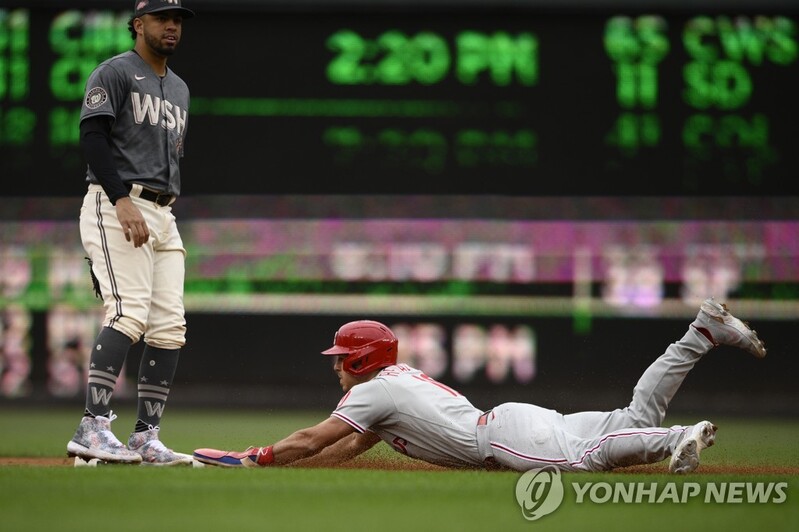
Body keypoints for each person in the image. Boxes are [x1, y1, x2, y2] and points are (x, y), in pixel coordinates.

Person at [194, 298, 767, 473]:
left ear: (364, 359)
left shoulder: (371, 392)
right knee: (630, 417)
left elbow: (314, 438)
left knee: (585, 461)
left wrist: (258, 457)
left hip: (502, 438)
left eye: (343, 357)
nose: (336, 366)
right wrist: (281, 468)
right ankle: (700, 333)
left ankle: (676, 438)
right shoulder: (388, 387)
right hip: (511, 423)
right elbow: (346, 447)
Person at [66, 0, 196, 466]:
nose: (172, 26)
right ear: (138, 25)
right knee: (127, 313)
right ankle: (92, 427)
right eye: (163, 19)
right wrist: (121, 199)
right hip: (118, 202)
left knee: (169, 327)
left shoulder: (179, 88)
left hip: (163, 211)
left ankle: (145, 437)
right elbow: (93, 138)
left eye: (177, 20)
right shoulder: (114, 72)